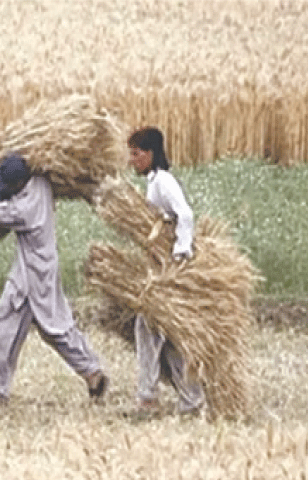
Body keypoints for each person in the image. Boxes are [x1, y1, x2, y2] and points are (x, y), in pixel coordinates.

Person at [0, 150, 109, 404]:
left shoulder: (24, 210)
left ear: (17, 184)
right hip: (39, 267)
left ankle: (91, 372)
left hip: (32, 275)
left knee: (35, 327)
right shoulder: (41, 182)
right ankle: (92, 373)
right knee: (45, 327)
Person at [127, 126, 205, 417]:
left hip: (169, 269)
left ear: (149, 154)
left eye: (136, 154)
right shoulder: (153, 182)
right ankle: (191, 400)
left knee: (147, 327)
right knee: (167, 334)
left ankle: (148, 398)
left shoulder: (163, 182)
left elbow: (185, 214)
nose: (132, 160)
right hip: (163, 265)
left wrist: (179, 254)